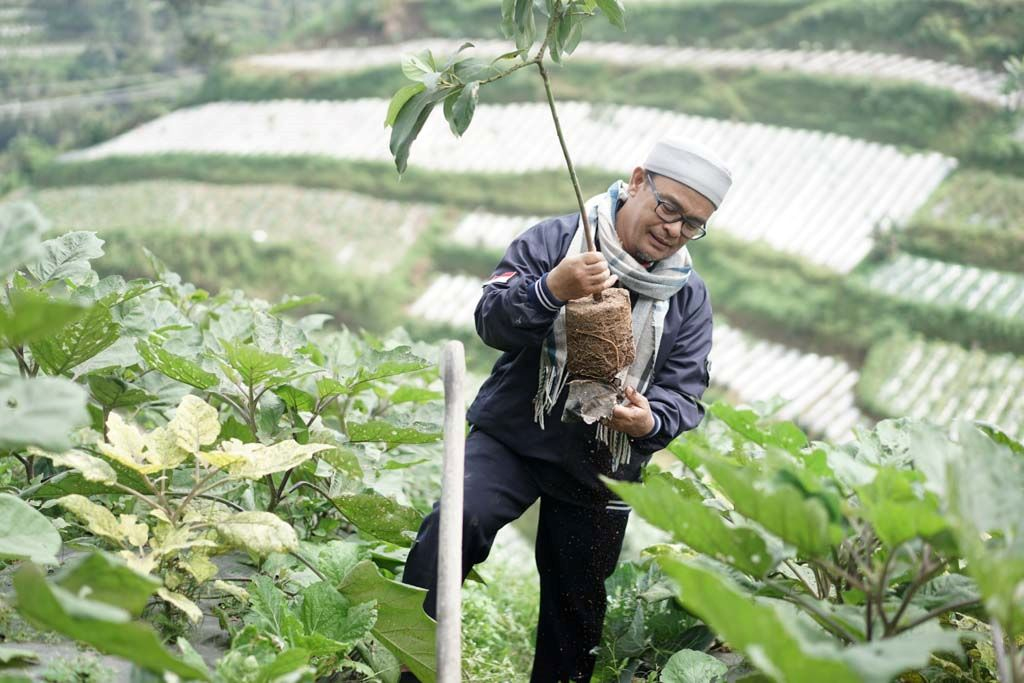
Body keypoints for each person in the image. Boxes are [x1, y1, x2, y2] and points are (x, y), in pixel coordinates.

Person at [400, 138, 733, 683]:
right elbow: (491, 320)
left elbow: (685, 392)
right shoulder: (558, 240)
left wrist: (648, 421)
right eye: (669, 207)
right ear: (637, 180)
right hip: (514, 436)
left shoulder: (688, 297)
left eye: (693, 224)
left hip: (603, 465)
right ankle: (407, 666)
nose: (674, 229)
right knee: (452, 528)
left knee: (576, 615)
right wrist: (553, 287)